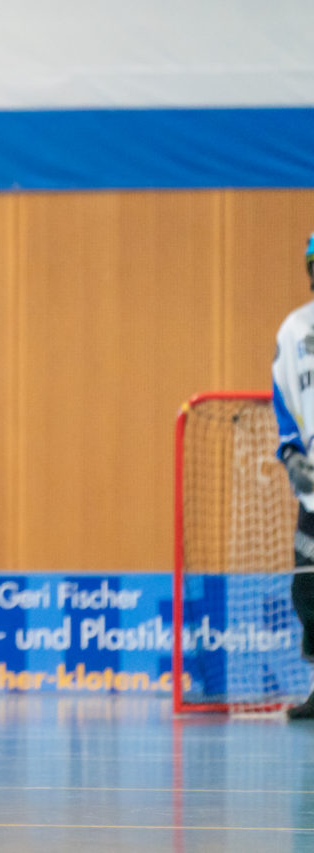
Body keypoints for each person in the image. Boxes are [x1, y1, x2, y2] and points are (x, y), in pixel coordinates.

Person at [273, 231, 314, 720]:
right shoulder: (293, 330)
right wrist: (290, 456)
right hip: (313, 492)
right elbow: (283, 397)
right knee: (307, 587)